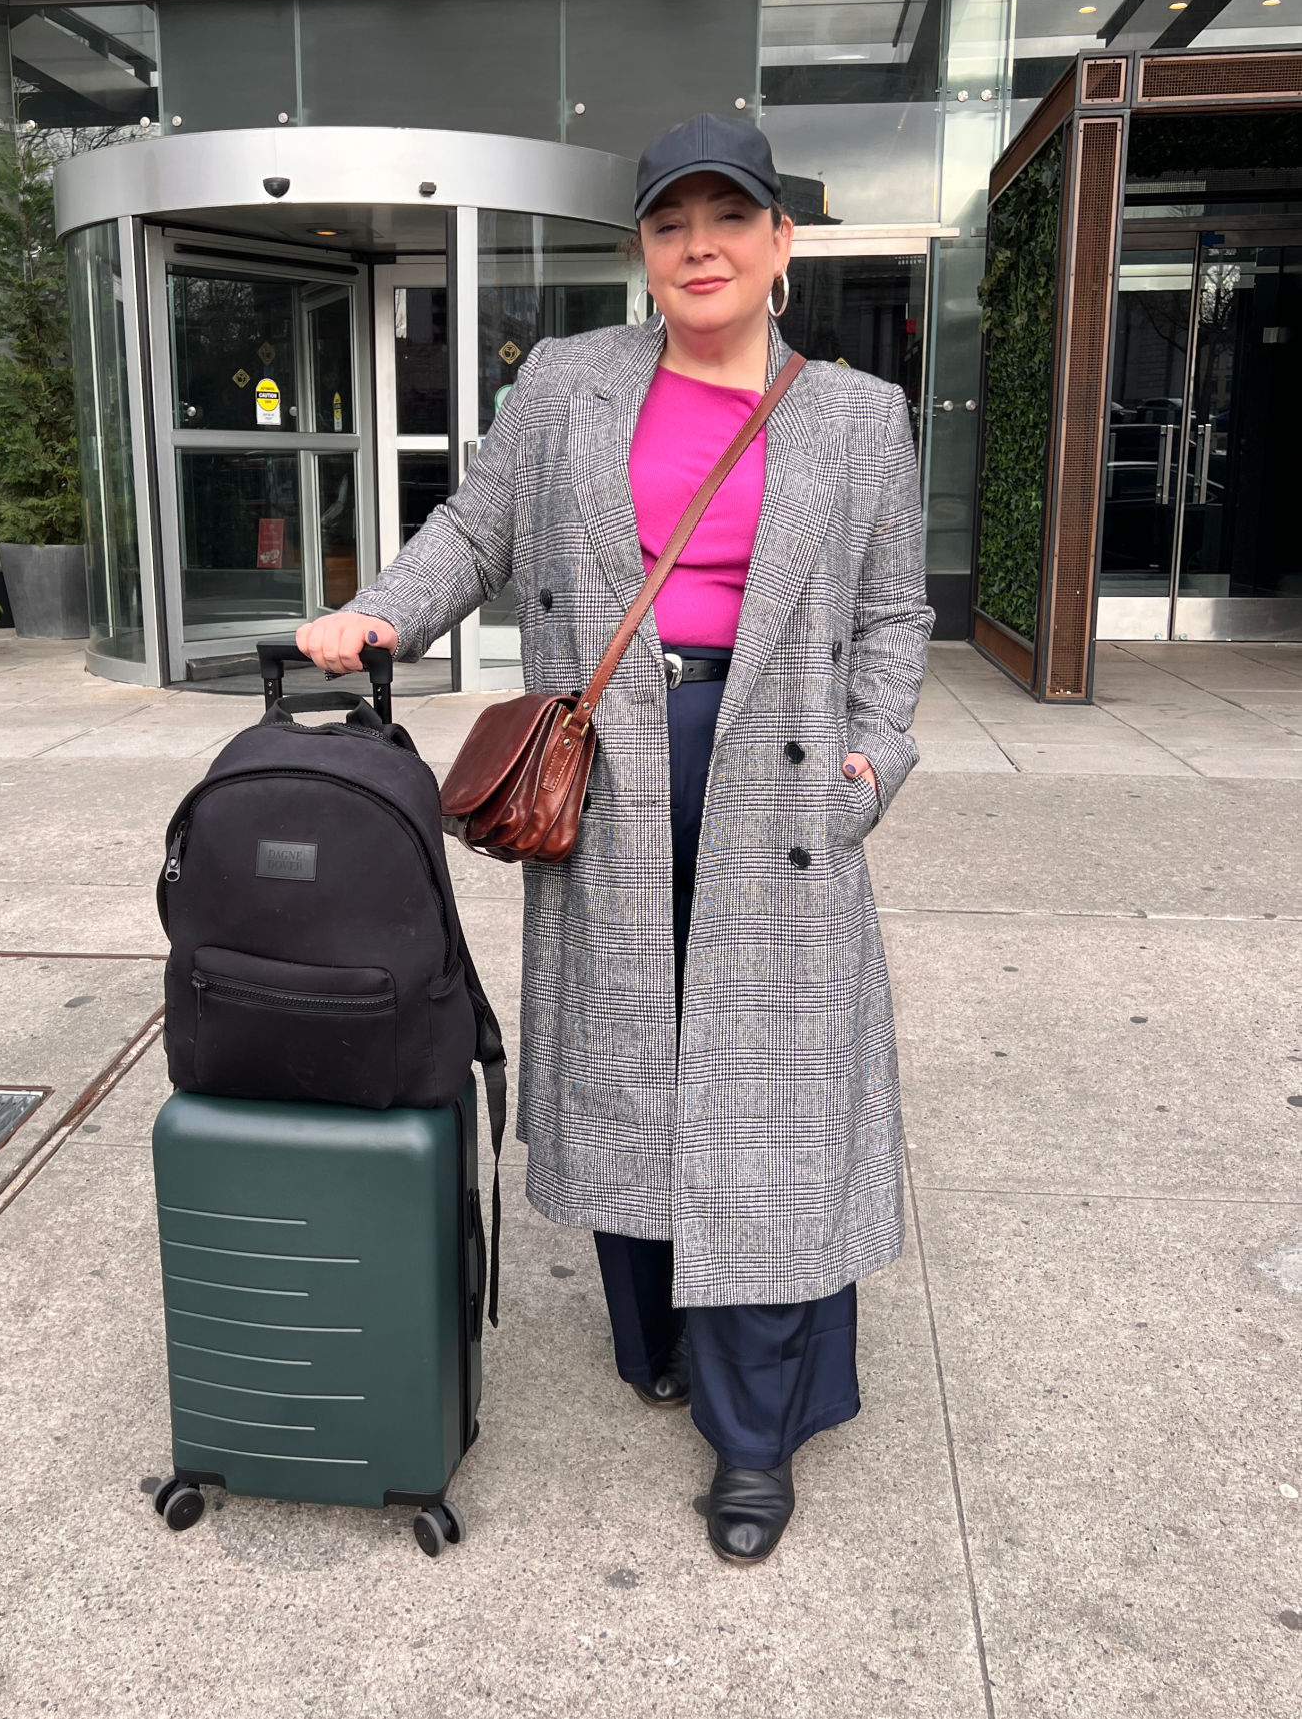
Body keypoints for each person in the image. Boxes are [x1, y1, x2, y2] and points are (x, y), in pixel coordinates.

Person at [296, 112, 933, 1564]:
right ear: (643, 249)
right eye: (668, 221)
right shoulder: (572, 384)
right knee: (636, 1059)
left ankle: (753, 1432)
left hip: (781, 780)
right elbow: (473, 526)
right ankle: (655, 1335)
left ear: (782, 245)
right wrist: (384, 607)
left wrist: (872, 756)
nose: (698, 244)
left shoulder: (857, 417)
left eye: (730, 217)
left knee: (766, 1089)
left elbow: (896, 617)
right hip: (617, 768)